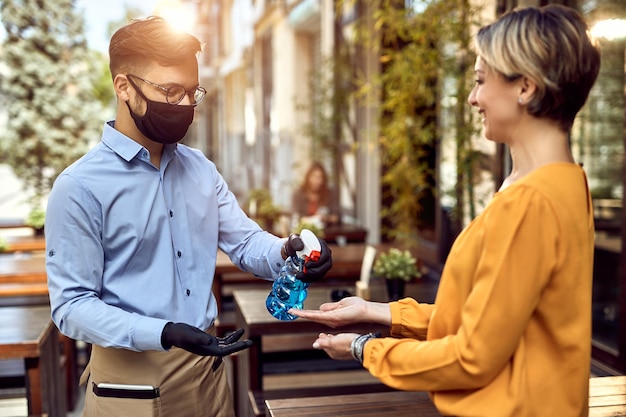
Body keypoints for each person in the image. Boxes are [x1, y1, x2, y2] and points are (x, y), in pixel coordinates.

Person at [291, 5, 600, 417]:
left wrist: (365, 347)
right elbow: (485, 321)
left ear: (526, 87)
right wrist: (374, 312)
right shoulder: (565, 183)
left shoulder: (531, 202)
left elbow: (472, 355)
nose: (473, 98)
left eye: (480, 80)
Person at [45, 16, 332, 417]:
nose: (184, 105)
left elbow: (246, 243)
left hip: (209, 373)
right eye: (170, 91)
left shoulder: (200, 170)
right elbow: (71, 307)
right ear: (124, 87)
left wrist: (290, 251)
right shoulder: (79, 186)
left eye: (191, 92)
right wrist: (162, 332)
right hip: (130, 386)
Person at [292, 161, 340, 227]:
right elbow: (295, 217)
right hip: (303, 232)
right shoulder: (298, 194)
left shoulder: (329, 193)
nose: (317, 181)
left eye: (320, 177)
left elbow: (336, 217)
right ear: (308, 177)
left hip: (327, 233)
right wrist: (310, 219)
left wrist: (325, 218)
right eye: (314, 177)